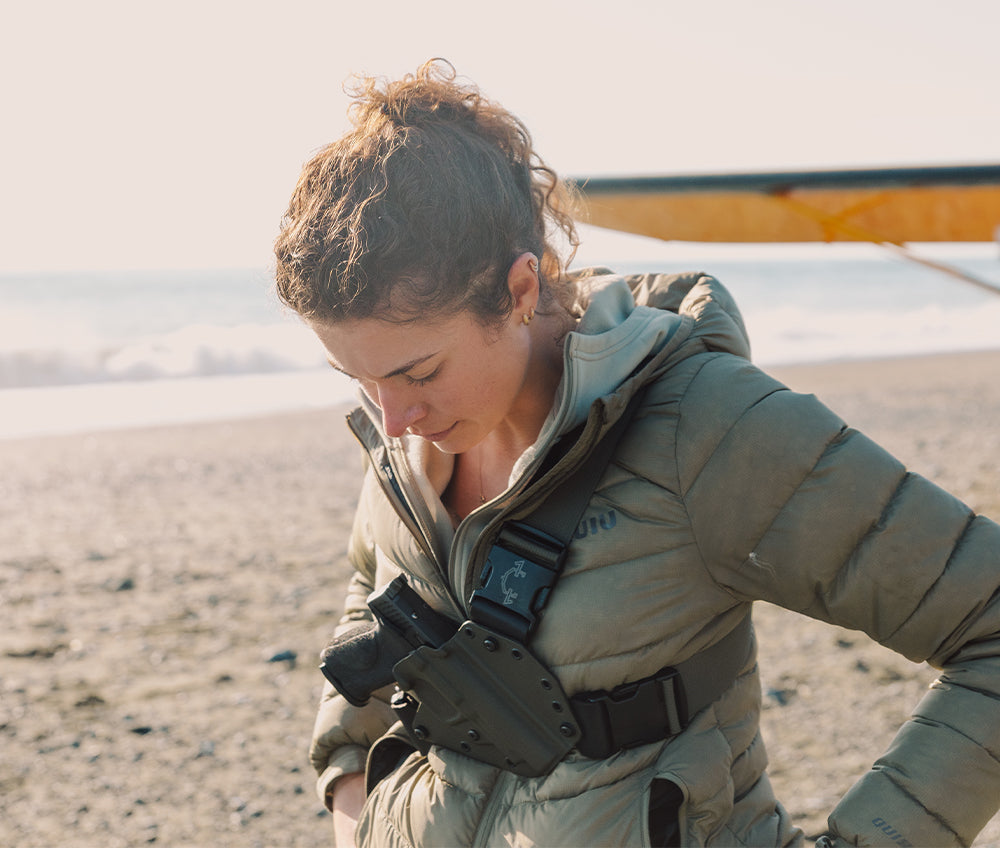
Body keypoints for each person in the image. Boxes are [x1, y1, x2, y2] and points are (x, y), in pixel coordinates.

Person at [274, 59, 1000, 847]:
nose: (394, 416)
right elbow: (372, 584)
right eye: (356, 377)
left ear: (521, 291)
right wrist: (351, 781)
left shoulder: (708, 426)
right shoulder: (409, 422)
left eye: (419, 371)